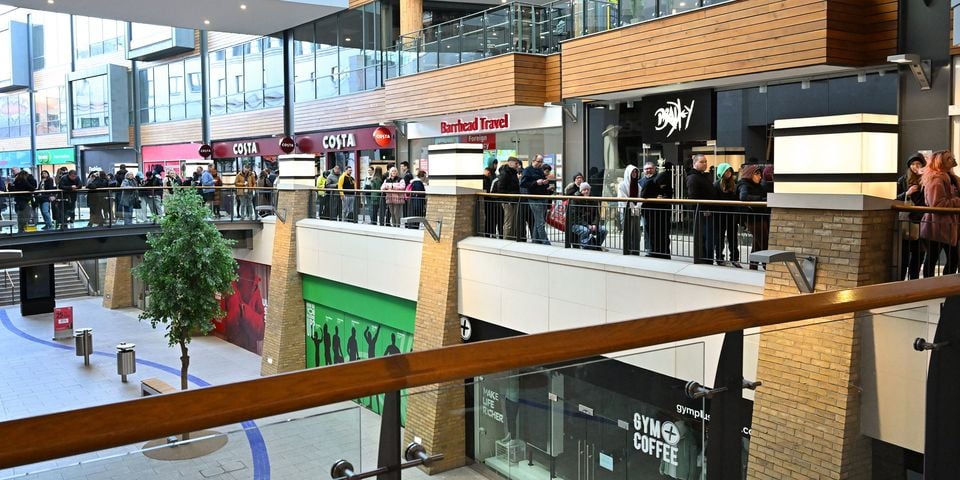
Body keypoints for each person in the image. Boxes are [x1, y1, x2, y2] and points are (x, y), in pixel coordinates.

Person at [921, 150, 960, 277]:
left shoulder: (952, 179)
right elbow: (937, 204)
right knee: (933, 258)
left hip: (948, 226)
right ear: (940, 161)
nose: (953, 160)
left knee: (952, 258)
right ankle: (931, 286)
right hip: (937, 226)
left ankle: (945, 286)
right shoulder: (936, 180)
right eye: (949, 158)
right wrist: (957, 201)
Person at [897, 153, 926, 280]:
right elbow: (895, 198)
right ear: (909, 166)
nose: (916, 167)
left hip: (920, 221)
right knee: (903, 255)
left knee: (919, 254)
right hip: (905, 221)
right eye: (913, 164)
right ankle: (900, 280)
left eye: (919, 164)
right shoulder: (902, 180)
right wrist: (907, 193)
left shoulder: (926, 180)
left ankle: (914, 281)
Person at [737, 165, 770, 270]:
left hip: (761, 216)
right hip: (752, 218)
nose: (759, 177)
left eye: (760, 174)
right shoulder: (744, 184)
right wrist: (760, 199)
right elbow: (744, 197)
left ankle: (753, 265)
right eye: (757, 174)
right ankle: (767, 264)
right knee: (763, 241)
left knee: (757, 243)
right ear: (750, 174)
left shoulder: (759, 186)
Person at [686, 154, 716, 264]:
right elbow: (693, 197)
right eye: (702, 162)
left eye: (706, 161)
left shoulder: (704, 176)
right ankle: (704, 260)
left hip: (707, 211)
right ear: (695, 163)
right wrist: (703, 209)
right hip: (702, 213)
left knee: (708, 238)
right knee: (703, 238)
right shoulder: (693, 177)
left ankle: (707, 259)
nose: (705, 164)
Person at [640, 161, 673, 259]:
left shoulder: (662, 178)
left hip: (662, 212)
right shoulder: (641, 182)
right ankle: (651, 251)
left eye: (650, 168)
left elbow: (669, 193)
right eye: (646, 169)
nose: (648, 170)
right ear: (643, 170)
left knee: (664, 233)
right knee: (649, 233)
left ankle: (664, 252)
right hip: (648, 212)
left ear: (655, 169)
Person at [713, 163, 741, 267]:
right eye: (726, 171)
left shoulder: (735, 184)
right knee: (719, 237)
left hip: (732, 215)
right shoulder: (716, 185)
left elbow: (737, 199)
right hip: (720, 216)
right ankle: (719, 258)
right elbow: (714, 201)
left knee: (733, 238)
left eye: (730, 171)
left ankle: (734, 258)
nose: (728, 173)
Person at [520, 154, 551, 245]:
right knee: (540, 221)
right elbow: (523, 184)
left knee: (539, 221)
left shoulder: (541, 170)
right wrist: (536, 183)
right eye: (539, 161)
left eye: (541, 162)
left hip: (543, 197)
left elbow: (543, 182)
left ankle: (535, 240)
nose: (540, 164)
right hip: (534, 198)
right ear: (533, 161)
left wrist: (546, 183)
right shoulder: (527, 170)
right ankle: (546, 242)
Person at [569, 183, 607, 250]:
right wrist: (587, 225)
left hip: (590, 224)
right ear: (581, 191)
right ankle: (586, 246)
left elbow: (597, 215)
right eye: (584, 190)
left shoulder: (593, 199)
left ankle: (596, 246)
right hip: (576, 224)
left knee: (604, 230)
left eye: (588, 189)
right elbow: (575, 216)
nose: (586, 191)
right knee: (585, 230)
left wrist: (594, 224)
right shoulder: (575, 199)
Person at [494, 157, 522, 239]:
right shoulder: (505, 173)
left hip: (513, 200)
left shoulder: (513, 173)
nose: (517, 165)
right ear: (510, 163)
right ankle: (506, 240)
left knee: (512, 222)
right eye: (516, 163)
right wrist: (507, 200)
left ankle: (511, 239)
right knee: (509, 223)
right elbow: (501, 188)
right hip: (508, 201)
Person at [618, 164, 642, 255]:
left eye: (636, 172)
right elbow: (624, 199)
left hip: (636, 212)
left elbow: (640, 197)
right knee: (628, 232)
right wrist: (632, 208)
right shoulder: (622, 185)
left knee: (636, 233)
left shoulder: (638, 185)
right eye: (633, 172)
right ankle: (627, 250)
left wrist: (637, 207)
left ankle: (636, 251)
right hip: (626, 211)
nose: (634, 173)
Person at [482, 166, 503, 238]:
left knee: (491, 219)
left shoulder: (493, 180)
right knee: (498, 220)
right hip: (495, 202)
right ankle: (500, 235)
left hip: (490, 202)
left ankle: (490, 234)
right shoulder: (494, 179)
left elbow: (491, 192)